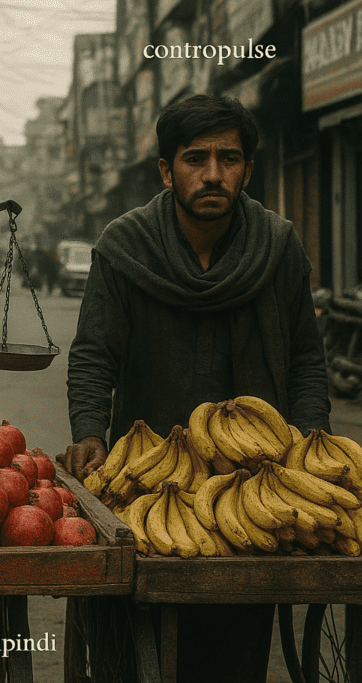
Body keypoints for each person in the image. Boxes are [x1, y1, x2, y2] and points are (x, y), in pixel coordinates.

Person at [59, 94, 331, 682]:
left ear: (249, 170)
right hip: (150, 482)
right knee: (142, 645)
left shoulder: (278, 247)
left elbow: (307, 360)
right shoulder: (124, 247)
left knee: (237, 650)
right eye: (195, 158)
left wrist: (313, 445)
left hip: (256, 483)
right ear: (166, 170)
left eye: (229, 159)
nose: (213, 174)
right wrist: (88, 431)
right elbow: (93, 355)